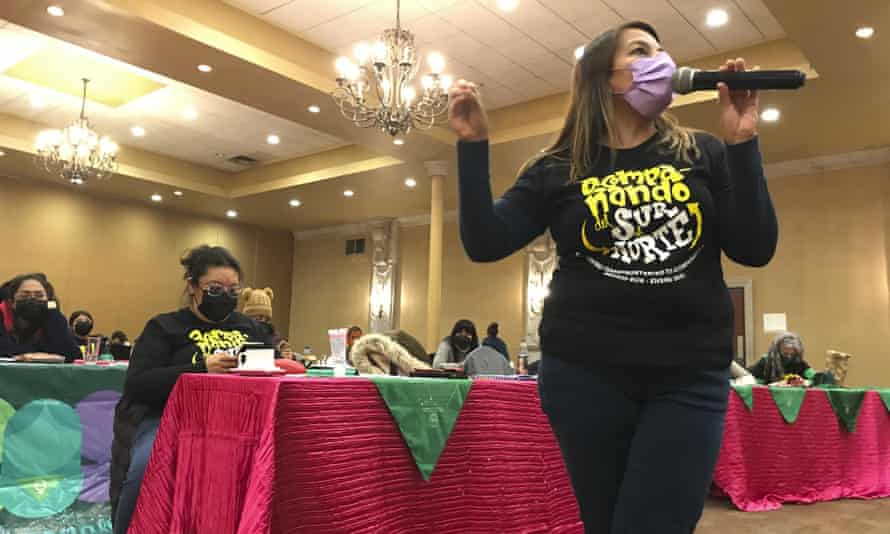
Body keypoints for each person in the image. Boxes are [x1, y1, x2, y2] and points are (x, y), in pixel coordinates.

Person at [448, 20, 777, 534]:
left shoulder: (703, 152)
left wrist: (742, 141)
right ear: (605, 76)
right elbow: (485, 241)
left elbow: (756, 249)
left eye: (663, 51)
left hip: (688, 374)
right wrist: (472, 147)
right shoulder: (560, 165)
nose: (661, 62)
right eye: (642, 51)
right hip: (584, 376)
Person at [110, 245, 277, 533]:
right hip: (167, 419)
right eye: (214, 289)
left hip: (238, 421)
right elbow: (138, 383)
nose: (225, 296)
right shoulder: (164, 327)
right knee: (145, 471)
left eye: (233, 290)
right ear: (192, 287)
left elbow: (275, 367)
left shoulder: (251, 328)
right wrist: (201, 368)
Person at [0, 273, 81, 362]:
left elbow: (72, 354)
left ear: (48, 300)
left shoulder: (53, 316)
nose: (32, 299)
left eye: (39, 296)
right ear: (12, 302)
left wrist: (54, 314)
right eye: (24, 296)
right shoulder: (2, 314)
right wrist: (43, 354)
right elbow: (3, 350)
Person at [238, 287, 294, 359]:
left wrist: (286, 352)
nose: (262, 321)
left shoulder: (271, 332)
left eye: (265, 318)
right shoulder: (240, 332)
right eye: (257, 318)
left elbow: (281, 345)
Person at [748, 332, 813, 384]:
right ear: (777, 351)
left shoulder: (798, 361)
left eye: (792, 354)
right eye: (785, 354)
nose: (789, 356)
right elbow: (750, 377)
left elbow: (812, 376)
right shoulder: (765, 361)